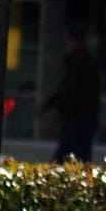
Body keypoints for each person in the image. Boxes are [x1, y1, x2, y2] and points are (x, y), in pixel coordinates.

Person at [41, 23, 100, 162]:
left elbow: (69, 90)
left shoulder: (78, 62)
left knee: (71, 153)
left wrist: (50, 105)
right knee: (75, 153)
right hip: (81, 115)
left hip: (77, 115)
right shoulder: (85, 62)